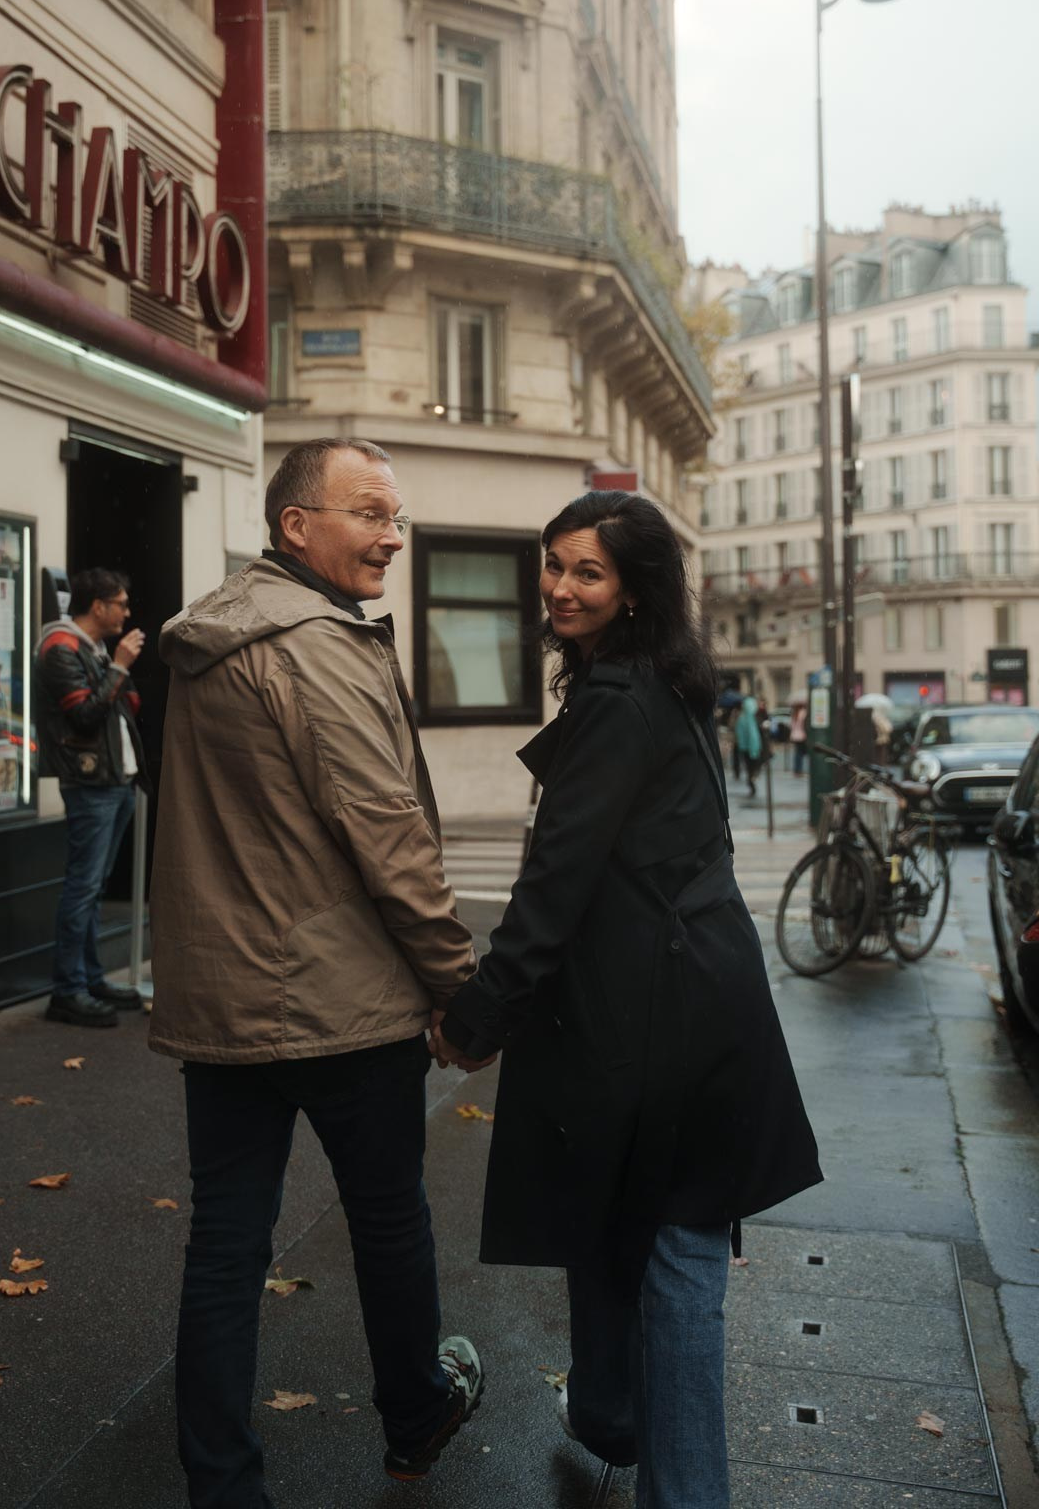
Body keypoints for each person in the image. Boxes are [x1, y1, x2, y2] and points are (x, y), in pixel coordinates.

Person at [433, 490, 822, 1509]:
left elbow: (554, 882)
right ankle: (609, 1415)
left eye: (588, 572)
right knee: (625, 1224)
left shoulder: (619, 700)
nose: (561, 588)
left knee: (678, 1254)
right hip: (681, 997)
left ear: (636, 589)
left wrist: (479, 1016)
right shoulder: (659, 680)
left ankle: (683, 1488)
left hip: (661, 1016)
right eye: (554, 565)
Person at [148, 438, 486, 1509]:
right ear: (296, 525)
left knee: (225, 1244)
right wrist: (459, 987)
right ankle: (417, 1416)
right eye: (370, 513)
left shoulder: (214, 635)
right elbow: (387, 835)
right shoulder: (316, 643)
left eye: (397, 517)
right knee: (387, 1220)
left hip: (226, 998)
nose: (393, 536)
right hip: (344, 1001)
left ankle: (222, 1484)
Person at [34, 568, 148, 1029]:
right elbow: (84, 715)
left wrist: (116, 671)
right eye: (120, 603)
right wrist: (118, 667)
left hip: (114, 780)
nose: (126, 612)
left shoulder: (92, 648)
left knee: (94, 888)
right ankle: (68, 990)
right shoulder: (60, 648)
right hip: (91, 784)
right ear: (98, 606)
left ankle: (90, 979)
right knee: (82, 888)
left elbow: (127, 704)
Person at [733, 694, 764, 797]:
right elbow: (753, 736)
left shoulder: (741, 718)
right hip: (752, 749)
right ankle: (751, 781)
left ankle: (751, 782)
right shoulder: (751, 719)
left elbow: (739, 734)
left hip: (744, 748)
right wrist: (754, 749)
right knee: (752, 768)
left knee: (749, 768)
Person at [789, 699, 808, 775]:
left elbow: (791, 725)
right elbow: (804, 725)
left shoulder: (794, 713)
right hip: (802, 735)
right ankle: (799, 770)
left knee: (797, 753)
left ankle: (797, 770)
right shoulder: (803, 713)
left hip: (795, 735)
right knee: (801, 753)